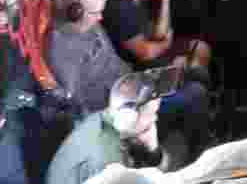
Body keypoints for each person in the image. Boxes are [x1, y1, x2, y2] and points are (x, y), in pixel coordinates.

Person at [44, 67, 201, 184]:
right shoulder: (106, 162)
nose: (155, 118)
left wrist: (152, 149)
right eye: (152, 113)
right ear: (128, 117)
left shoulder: (105, 118)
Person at [47, 0, 132, 115]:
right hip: (109, 105)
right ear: (77, 13)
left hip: (125, 82)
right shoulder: (63, 50)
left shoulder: (91, 26)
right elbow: (76, 99)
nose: (100, 17)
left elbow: (112, 57)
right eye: (96, 13)